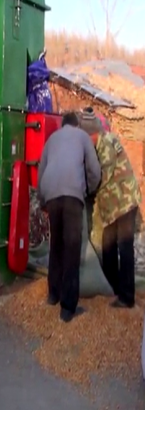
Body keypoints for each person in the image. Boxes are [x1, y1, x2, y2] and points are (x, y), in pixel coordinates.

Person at [38, 111, 102, 322]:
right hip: (73, 195)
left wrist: (42, 200)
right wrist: (89, 191)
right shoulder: (82, 136)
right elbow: (94, 170)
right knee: (72, 249)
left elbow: (41, 170)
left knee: (56, 245)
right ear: (76, 125)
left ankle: (52, 294)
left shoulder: (51, 139)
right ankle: (67, 308)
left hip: (52, 194)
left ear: (62, 125)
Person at [79, 112, 141, 309]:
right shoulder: (99, 144)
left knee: (124, 247)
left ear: (92, 135)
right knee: (108, 245)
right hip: (115, 206)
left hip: (124, 203)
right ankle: (113, 288)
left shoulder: (105, 145)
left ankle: (127, 297)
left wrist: (84, 191)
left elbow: (101, 177)